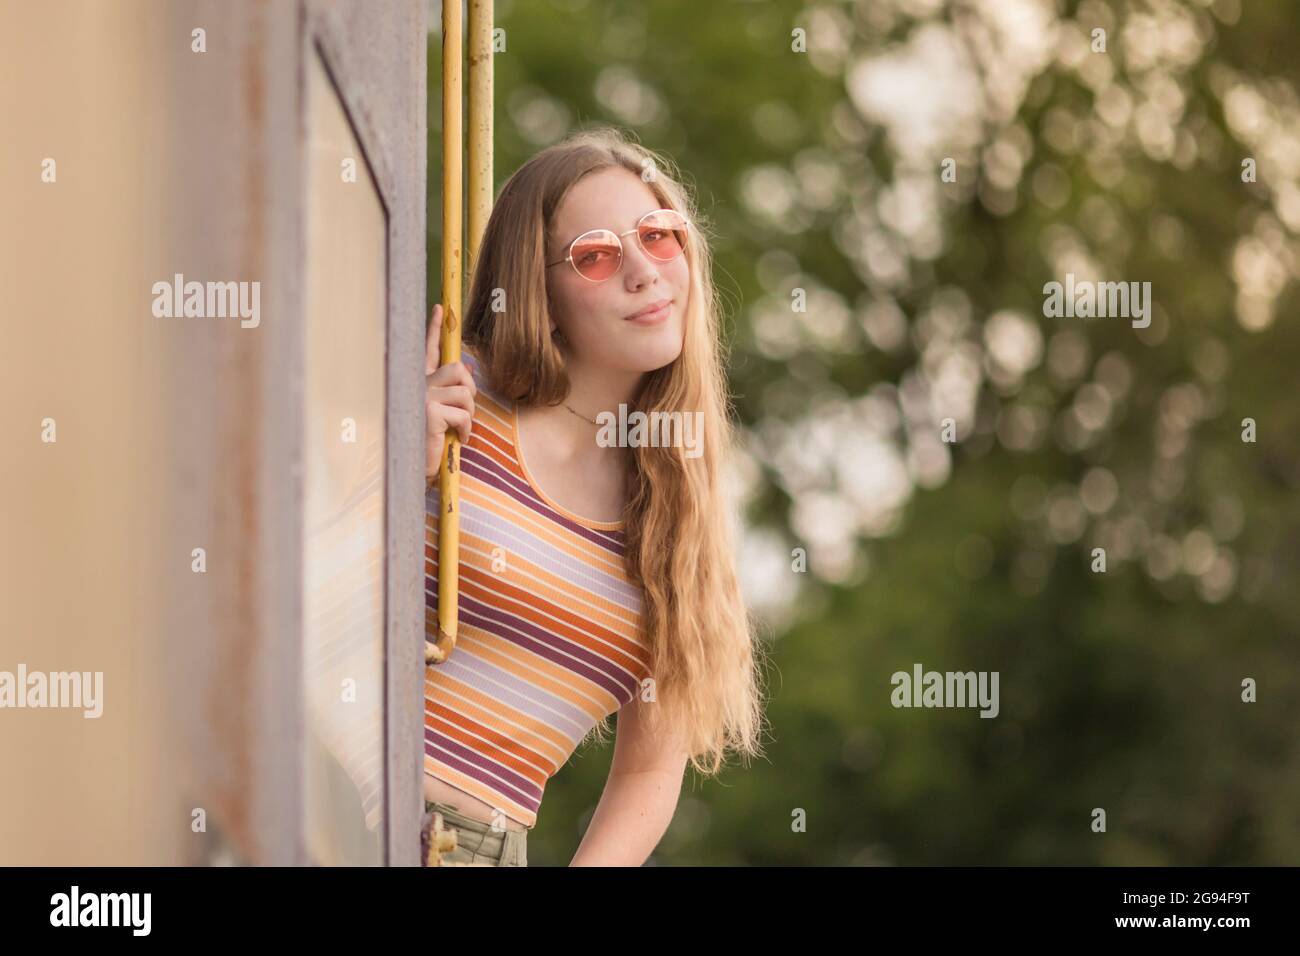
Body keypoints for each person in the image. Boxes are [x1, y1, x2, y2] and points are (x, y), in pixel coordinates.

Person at [422, 126, 769, 866]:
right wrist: (388, 462)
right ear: (539, 295)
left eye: (659, 236)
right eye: (598, 256)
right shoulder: (453, 397)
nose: (644, 271)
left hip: (476, 853)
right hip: (325, 794)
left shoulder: (680, 513)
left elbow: (648, 770)